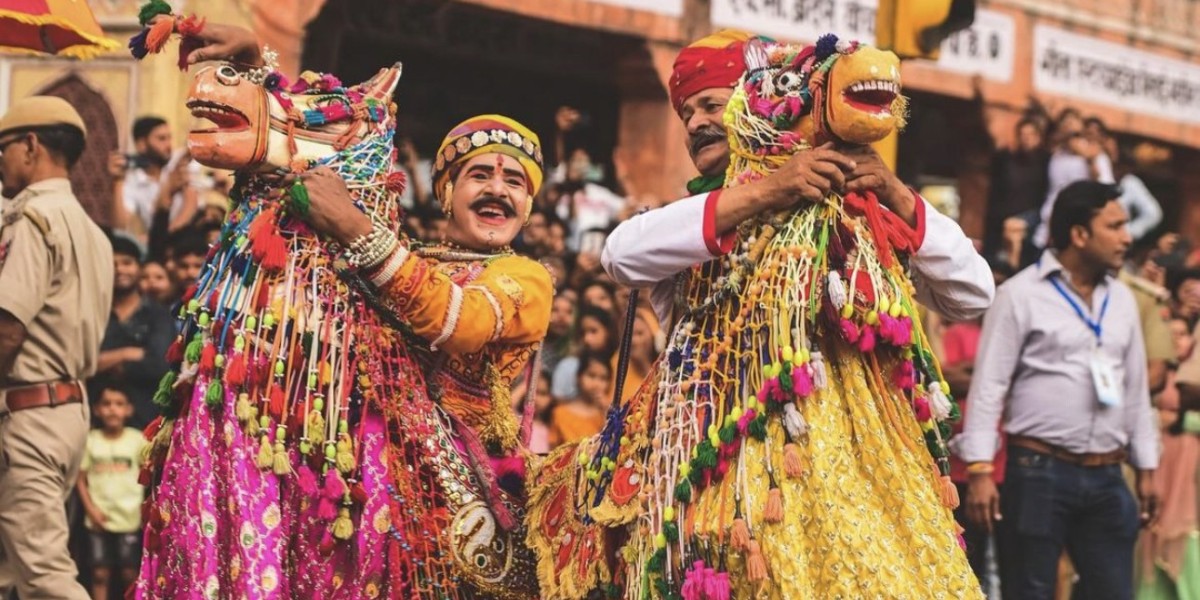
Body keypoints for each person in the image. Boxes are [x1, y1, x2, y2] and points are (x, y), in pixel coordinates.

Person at [530, 31, 994, 599]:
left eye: (710, 104)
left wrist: (896, 195)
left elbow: (972, 294)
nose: (696, 122)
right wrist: (769, 191)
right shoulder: (696, 220)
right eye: (686, 112)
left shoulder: (856, 210)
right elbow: (620, 254)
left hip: (863, 480)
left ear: (759, 107)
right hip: (725, 475)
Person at [961, 180, 1159, 600]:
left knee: (1113, 592)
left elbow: (1136, 390)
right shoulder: (1019, 295)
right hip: (1037, 471)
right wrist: (979, 469)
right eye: (1116, 226)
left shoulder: (1122, 299)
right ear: (1079, 234)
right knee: (1029, 591)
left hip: (1108, 475)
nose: (1128, 237)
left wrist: (1147, 467)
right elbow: (989, 386)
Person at [0, 95, 113, 600]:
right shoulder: (93, 230)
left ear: (30, 145)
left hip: (30, 412)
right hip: (67, 410)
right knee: (11, 573)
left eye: (2, 148)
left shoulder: (35, 220)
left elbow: (7, 327)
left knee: (45, 577)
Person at [1136, 316, 1199, 598]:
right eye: (1170, 334)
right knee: (1152, 527)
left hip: (1189, 467)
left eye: (1183, 334)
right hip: (1159, 461)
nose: (1176, 339)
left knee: (1187, 534)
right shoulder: (1158, 372)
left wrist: (1181, 422)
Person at [91, 235, 176, 429]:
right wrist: (127, 354)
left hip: (147, 422)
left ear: (139, 268)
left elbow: (160, 367)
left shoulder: (158, 316)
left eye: (127, 263)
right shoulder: (93, 313)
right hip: (95, 428)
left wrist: (107, 361)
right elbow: (82, 364)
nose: (120, 269)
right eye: (112, 263)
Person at [76, 385, 147, 600]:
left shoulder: (137, 439)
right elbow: (80, 479)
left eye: (119, 404)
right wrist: (90, 509)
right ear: (96, 409)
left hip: (130, 518)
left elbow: (148, 475)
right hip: (98, 518)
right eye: (106, 404)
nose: (112, 410)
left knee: (129, 572)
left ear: (129, 409)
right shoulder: (90, 440)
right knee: (100, 572)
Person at [109, 116, 200, 244]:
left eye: (169, 138)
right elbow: (119, 227)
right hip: (160, 244)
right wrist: (117, 180)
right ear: (141, 145)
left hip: (191, 235)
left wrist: (162, 236)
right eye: (161, 139)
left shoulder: (180, 160)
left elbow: (191, 205)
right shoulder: (134, 179)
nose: (169, 145)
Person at [1034, 111, 1115, 248]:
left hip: (1076, 228)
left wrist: (1090, 161)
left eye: (1074, 131)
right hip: (1046, 226)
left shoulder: (1097, 157)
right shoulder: (1057, 156)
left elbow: (1106, 189)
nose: (1068, 130)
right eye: (1064, 125)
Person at [984, 117, 1048, 264]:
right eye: (1023, 135)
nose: (1027, 139)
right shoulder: (1008, 159)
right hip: (1003, 215)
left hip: (1033, 217)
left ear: (1038, 137)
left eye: (1031, 135)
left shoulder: (1046, 161)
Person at [548, 353, 611, 447]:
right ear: (578, 377)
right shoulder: (560, 413)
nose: (596, 384)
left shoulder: (607, 414)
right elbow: (552, 451)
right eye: (591, 375)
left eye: (603, 378)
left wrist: (607, 413)